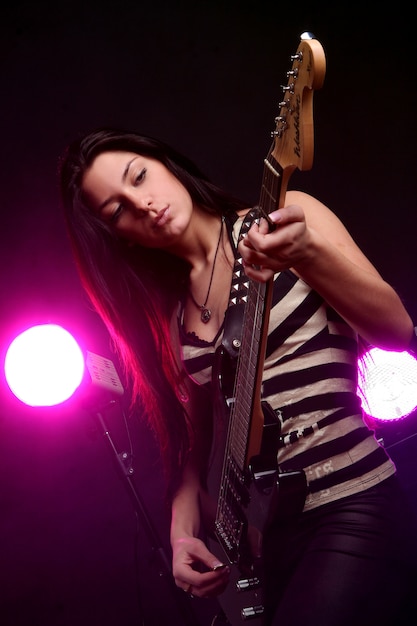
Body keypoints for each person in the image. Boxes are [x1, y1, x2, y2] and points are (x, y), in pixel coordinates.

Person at [59, 127, 417, 626]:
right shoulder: (173, 321)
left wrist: (305, 251)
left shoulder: (290, 216)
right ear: (118, 235)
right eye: (117, 209)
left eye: (139, 176)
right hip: (271, 543)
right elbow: (192, 446)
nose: (142, 203)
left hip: (353, 501)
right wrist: (183, 534)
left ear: (165, 161)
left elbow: (396, 330)